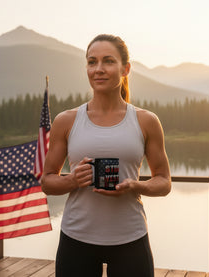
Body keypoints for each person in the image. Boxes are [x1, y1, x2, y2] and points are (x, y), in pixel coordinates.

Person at [41, 34, 172, 277]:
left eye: (108, 61)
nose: (98, 69)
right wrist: (72, 180)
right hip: (76, 239)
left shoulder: (146, 121)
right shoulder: (66, 120)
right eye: (92, 62)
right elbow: (47, 181)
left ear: (126, 69)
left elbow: (164, 182)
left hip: (131, 239)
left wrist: (135, 185)